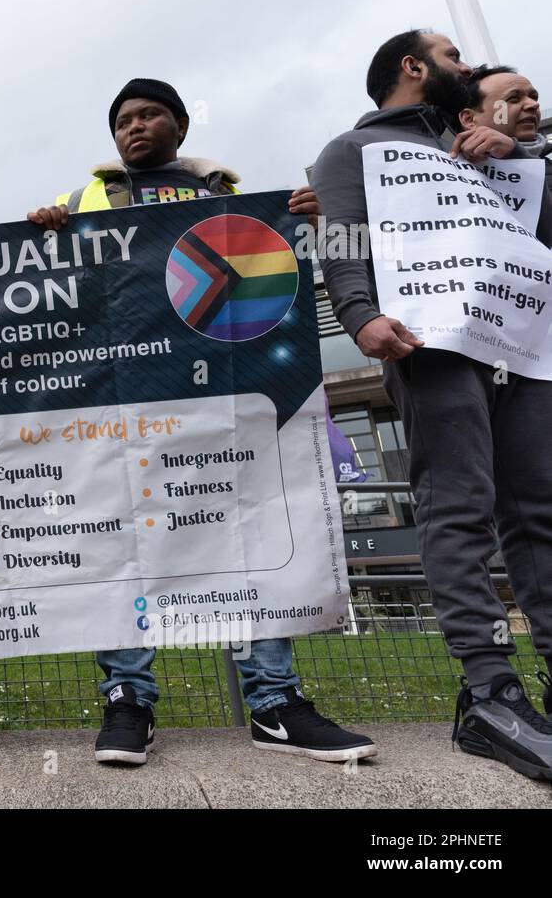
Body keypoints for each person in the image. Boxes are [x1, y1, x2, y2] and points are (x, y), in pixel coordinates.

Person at [29, 78, 377, 766]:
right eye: (123, 119)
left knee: (248, 546)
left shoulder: (233, 201)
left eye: (149, 114)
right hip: (125, 404)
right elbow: (46, 285)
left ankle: (274, 702)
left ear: (180, 126)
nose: (134, 126)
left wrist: (307, 221)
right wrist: (41, 232)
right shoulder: (85, 202)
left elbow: (279, 276)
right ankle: (128, 699)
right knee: (123, 551)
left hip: (225, 400)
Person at [311, 30, 552, 782]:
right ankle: (491, 689)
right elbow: (343, 235)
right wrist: (358, 315)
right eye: (453, 57)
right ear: (414, 68)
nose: (469, 69)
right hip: (429, 344)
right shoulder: (351, 150)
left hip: (521, 344)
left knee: (541, 504)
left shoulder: (488, 147)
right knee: (459, 501)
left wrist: (518, 160)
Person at [461, 65, 549, 194]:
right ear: (469, 119)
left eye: (533, 97)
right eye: (513, 99)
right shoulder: (452, 174)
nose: (534, 104)